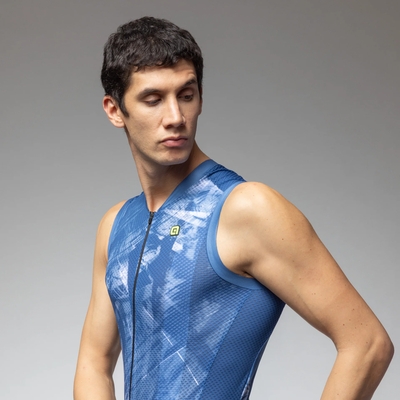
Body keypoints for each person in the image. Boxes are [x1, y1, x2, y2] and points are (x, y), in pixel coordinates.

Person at [74, 17, 393, 400]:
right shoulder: (116, 226)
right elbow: (94, 363)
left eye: (186, 95)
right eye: (153, 99)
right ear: (115, 110)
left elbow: (367, 344)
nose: (175, 117)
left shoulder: (247, 209)